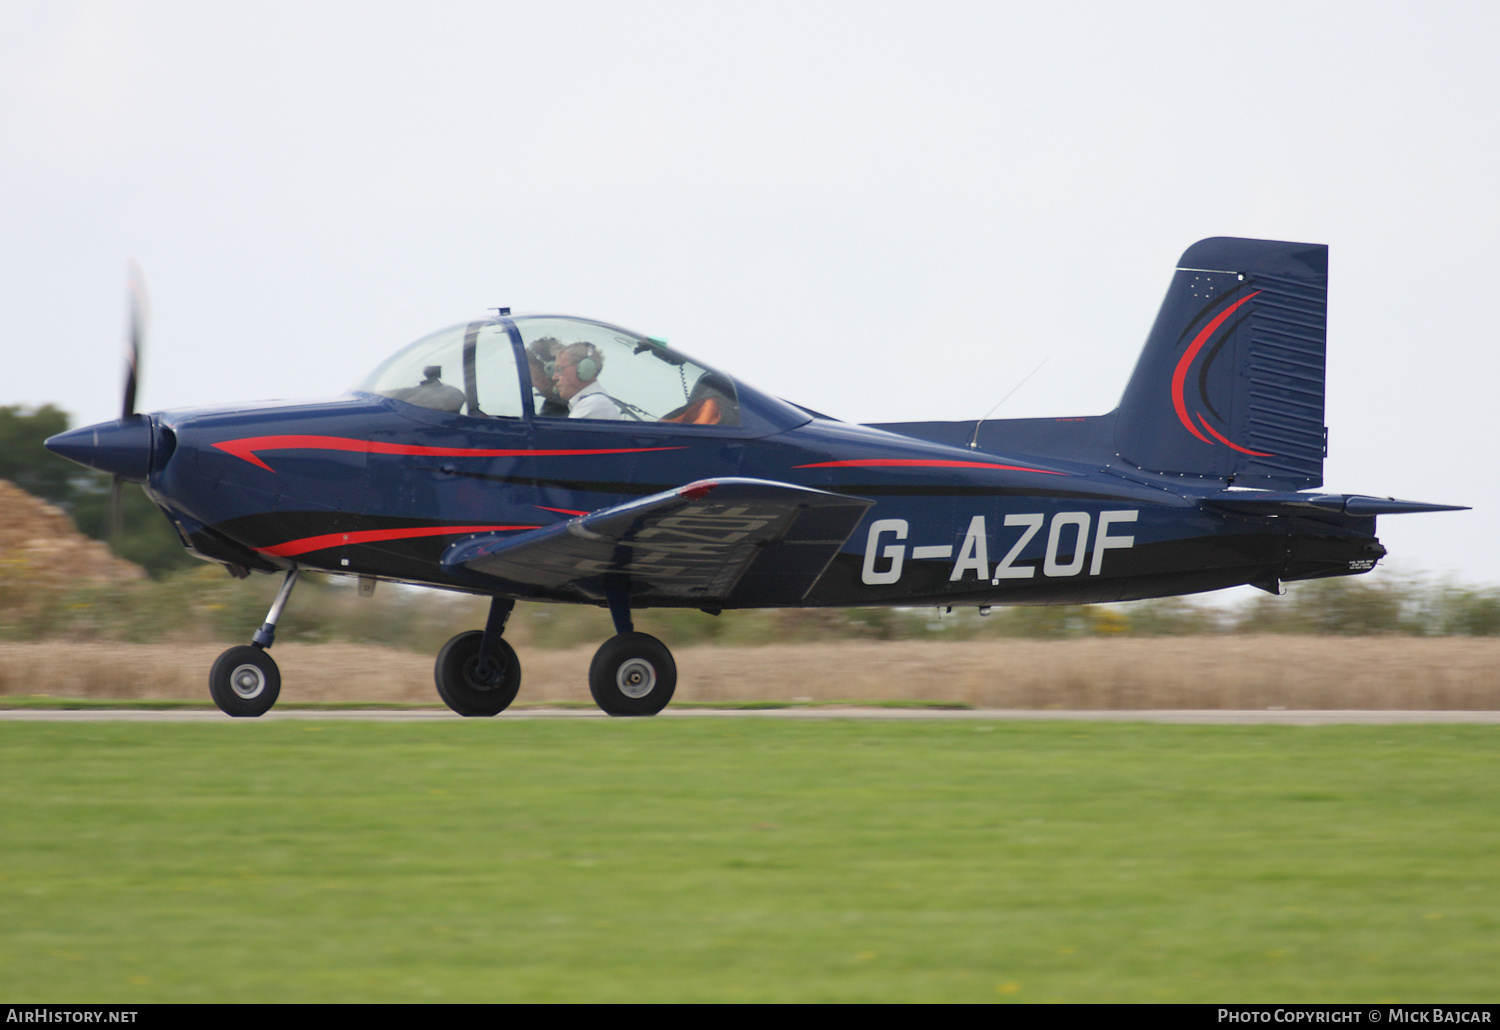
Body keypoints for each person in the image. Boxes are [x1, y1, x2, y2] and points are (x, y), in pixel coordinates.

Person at [552, 342, 625, 419]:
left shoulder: (593, 405)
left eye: (559, 370)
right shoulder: (589, 403)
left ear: (585, 369)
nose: (554, 377)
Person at [525, 337, 570, 417]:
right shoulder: (553, 404)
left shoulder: (559, 408)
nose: (532, 385)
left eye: (536, 379)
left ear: (552, 372)